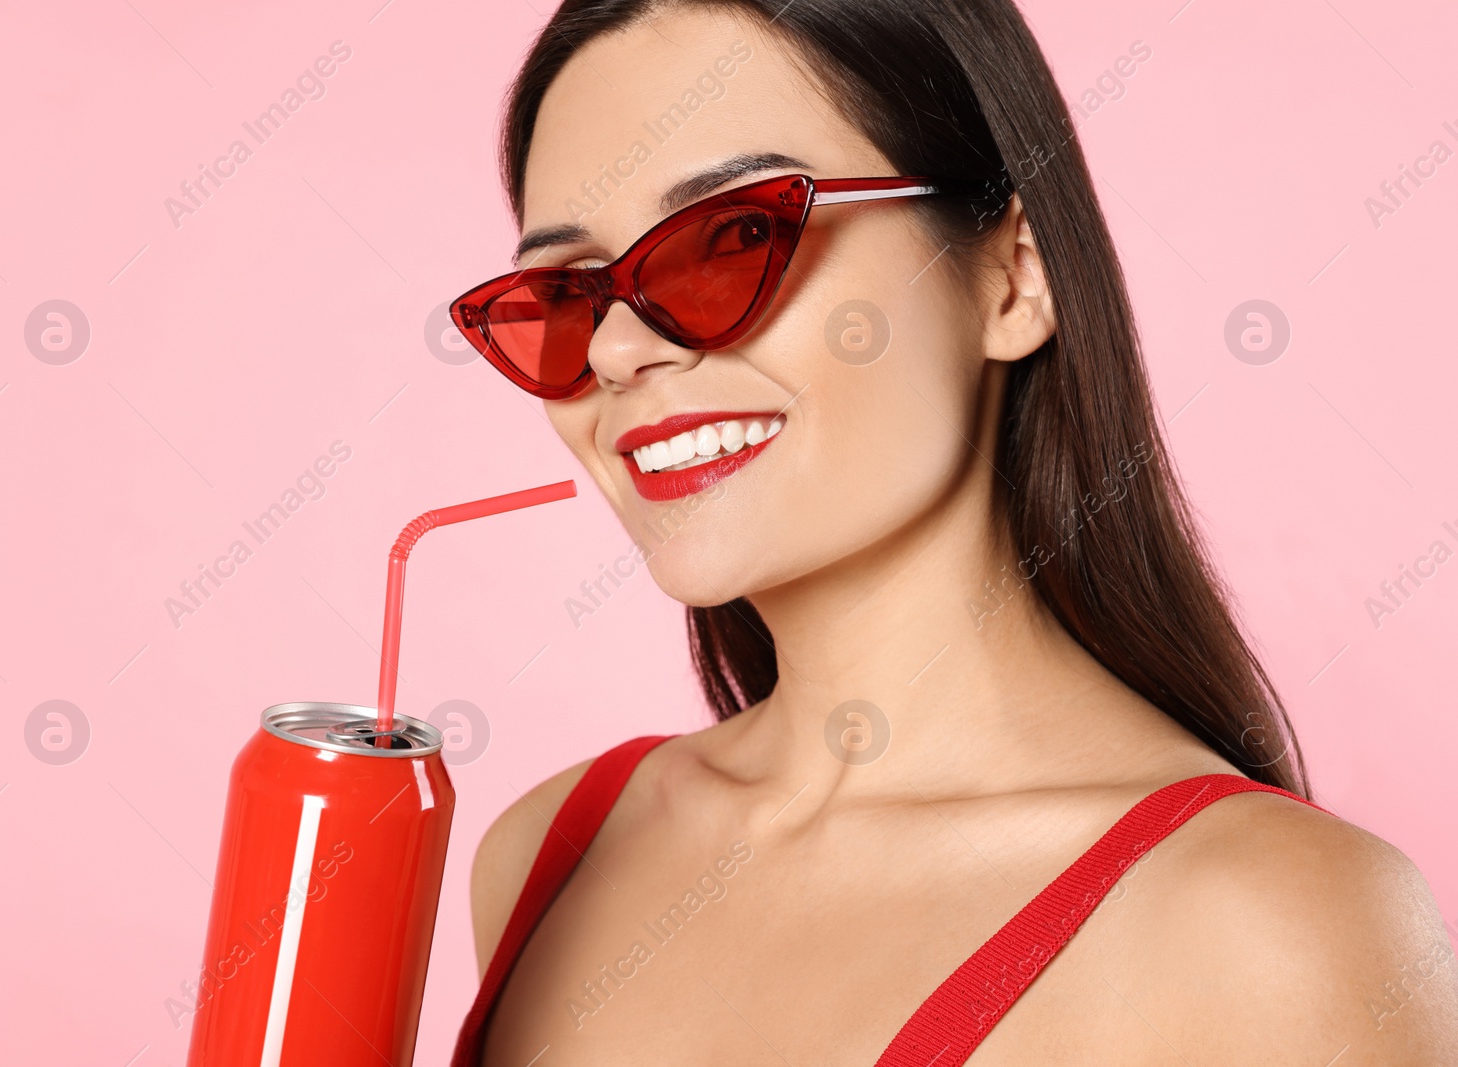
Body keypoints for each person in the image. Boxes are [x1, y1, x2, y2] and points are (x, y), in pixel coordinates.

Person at [444, 1, 1458, 1062]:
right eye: (566, 292)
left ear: (1014, 275)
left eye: (733, 235)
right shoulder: (543, 856)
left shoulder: (1275, 928)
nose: (614, 351)